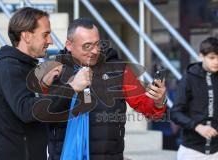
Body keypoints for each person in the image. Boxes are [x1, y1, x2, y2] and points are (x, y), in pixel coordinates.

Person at [37, 18, 167, 160]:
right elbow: (40, 112)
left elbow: (146, 107)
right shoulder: (53, 70)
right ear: (69, 45)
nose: (94, 51)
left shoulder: (118, 69)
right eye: (87, 46)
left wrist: (159, 102)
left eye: (97, 44)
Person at [0, 7, 55, 160]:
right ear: (26, 36)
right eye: (45, 34)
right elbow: (26, 110)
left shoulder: (25, 68)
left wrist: (42, 86)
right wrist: (70, 89)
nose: (50, 41)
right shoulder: (9, 68)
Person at [171, 37, 218, 160]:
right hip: (192, 151)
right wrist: (197, 127)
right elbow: (175, 113)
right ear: (201, 56)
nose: (216, 62)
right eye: (212, 57)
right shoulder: (188, 78)